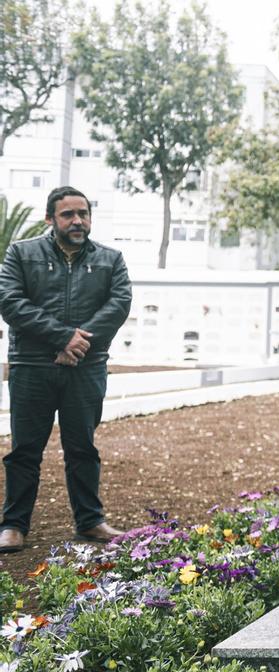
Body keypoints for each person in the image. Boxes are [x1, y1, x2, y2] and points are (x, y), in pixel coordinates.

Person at [0, 186, 131, 553]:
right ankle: (13, 524)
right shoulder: (21, 254)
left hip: (86, 369)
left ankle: (90, 521)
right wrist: (62, 338)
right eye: (68, 214)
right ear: (50, 219)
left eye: (83, 213)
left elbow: (118, 304)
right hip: (32, 367)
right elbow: (11, 302)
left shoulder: (111, 259)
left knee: (82, 448)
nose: (77, 221)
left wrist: (78, 344)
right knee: (24, 450)